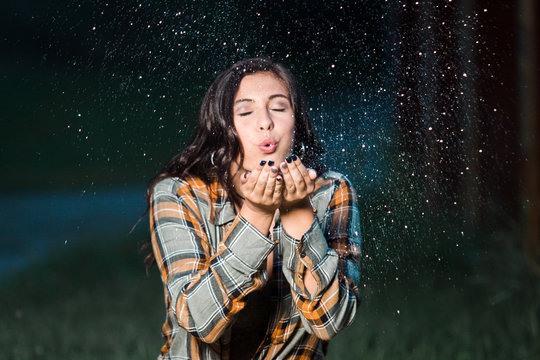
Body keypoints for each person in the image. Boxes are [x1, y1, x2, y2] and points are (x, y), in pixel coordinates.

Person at [145, 58, 361, 359]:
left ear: (296, 121)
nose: (265, 122)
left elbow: (329, 322)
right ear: (222, 127)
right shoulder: (179, 192)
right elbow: (197, 321)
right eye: (245, 111)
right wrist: (256, 215)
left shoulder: (330, 191)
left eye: (279, 107)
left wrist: (299, 213)